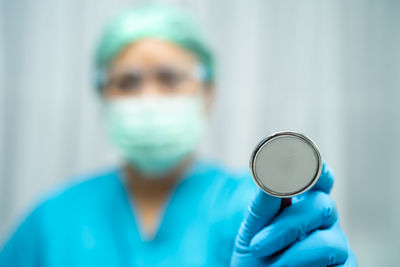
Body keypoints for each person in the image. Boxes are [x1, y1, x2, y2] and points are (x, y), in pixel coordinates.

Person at [0, 4, 357, 266]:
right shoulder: (51, 220)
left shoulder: (256, 213)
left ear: (208, 93)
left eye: (170, 78)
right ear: (103, 96)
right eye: (127, 82)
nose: (149, 98)